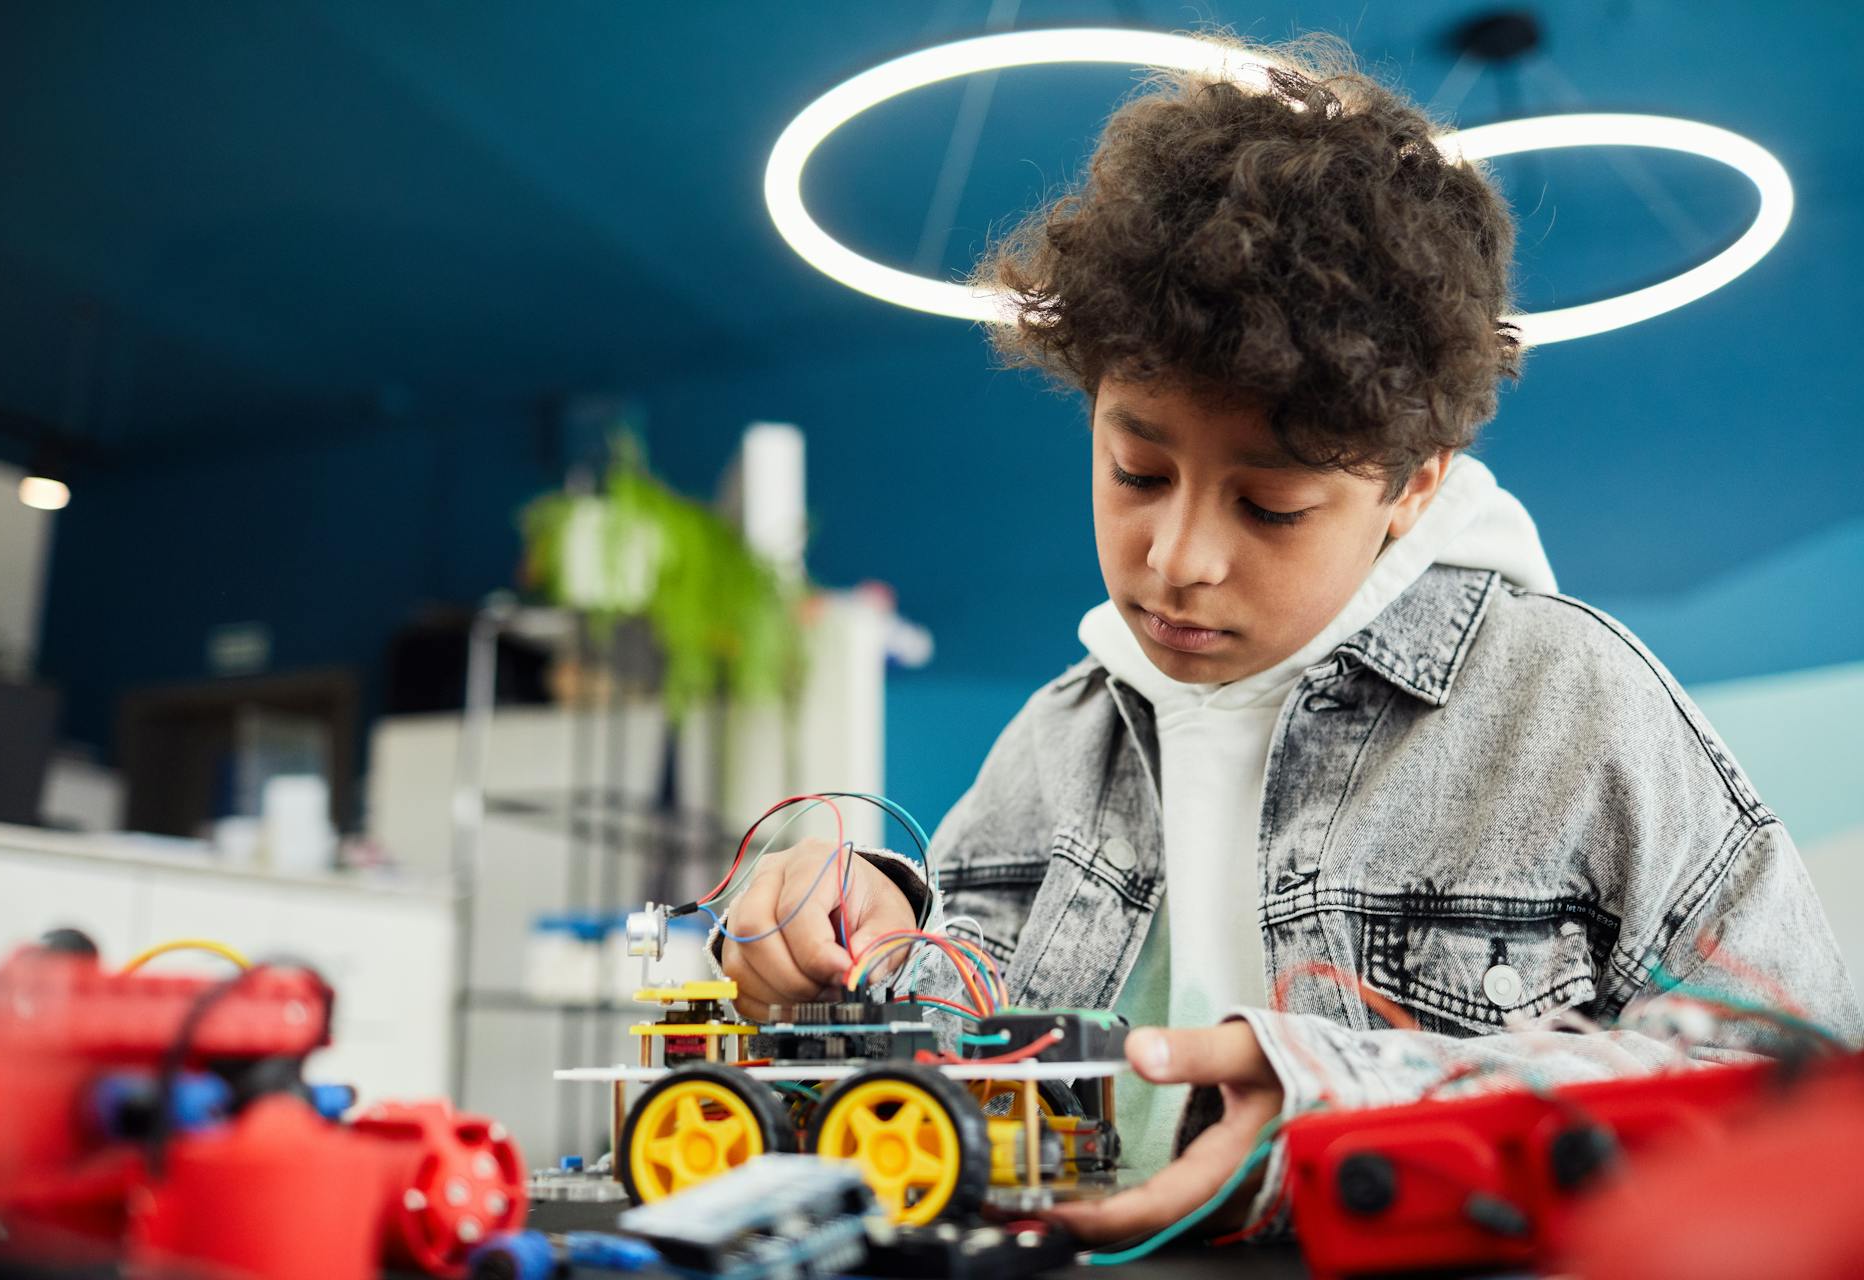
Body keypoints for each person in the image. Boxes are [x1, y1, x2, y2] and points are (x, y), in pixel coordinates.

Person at [712, 31, 1862, 1243]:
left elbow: (1805, 1096)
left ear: (1413, 485)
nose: (1179, 557)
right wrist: (863, 936)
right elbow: (932, 1055)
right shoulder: (1053, 744)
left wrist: (1354, 1106)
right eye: (1135, 469)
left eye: (1271, 505)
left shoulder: (1576, 710)